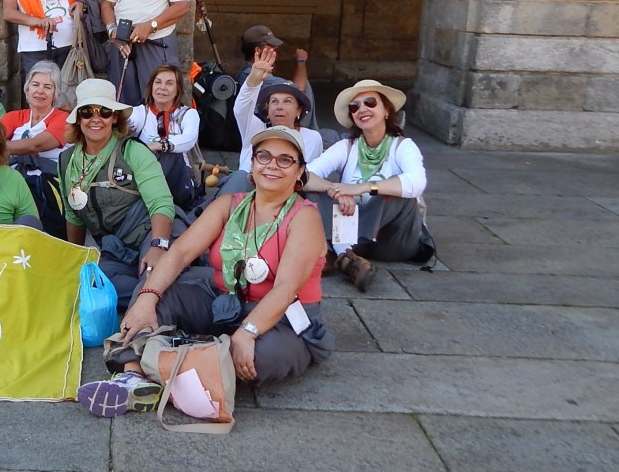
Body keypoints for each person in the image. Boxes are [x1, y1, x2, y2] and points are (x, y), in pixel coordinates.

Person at [76, 126, 335, 417]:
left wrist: (248, 332)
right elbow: (180, 253)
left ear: (300, 172)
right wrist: (147, 298)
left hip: (281, 318)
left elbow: (286, 288)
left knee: (259, 358)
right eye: (264, 156)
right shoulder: (230, 204)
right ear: (252, 163)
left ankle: (165, 362)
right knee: (154, 292)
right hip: (224, 300)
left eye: (285, 159)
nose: (272, 165)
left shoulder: (305, 217)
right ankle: (134, 376)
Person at [302, 80, 436, 291]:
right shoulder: (346, 147)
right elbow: (304, 176)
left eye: (370, 102)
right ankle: (348, 258)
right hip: (354, 238)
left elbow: (417, 183)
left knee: (393, 193)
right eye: (354, 106)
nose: (362, 109)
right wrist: (334, 189)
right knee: (315, 192)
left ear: (386, 110)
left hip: (391, 241)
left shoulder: (402, 146)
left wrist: (363, 187)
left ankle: (334, 251)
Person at [58, 78, 176, 306]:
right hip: (115, 249)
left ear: (114, 118)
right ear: (78, 119)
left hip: (149, 234)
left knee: (151, 278)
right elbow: (74, 217)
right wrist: (75, 260)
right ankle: (163, 290)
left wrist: (158, 246)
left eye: (104, 112)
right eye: (87, 112)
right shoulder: (66, 161)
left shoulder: (133, 150)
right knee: (88, 286)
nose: (96, 119)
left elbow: (161, 202)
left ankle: (154, 291)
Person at [222, 44, 324, 194]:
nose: (279, 107)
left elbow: (307, 176)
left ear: (299, 110)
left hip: (288, 196)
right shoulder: (256, 129)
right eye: (274, 102)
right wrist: (253, 79)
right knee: (240, 177)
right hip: (246, 195)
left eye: (287, 101)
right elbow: (241, 108)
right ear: (267, 111)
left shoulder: (312, 138)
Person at [1, 60, 71, 238]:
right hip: (13, 179)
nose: (40, 91)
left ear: (55, 93)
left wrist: (0, 147)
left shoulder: (63, 118)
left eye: (47, 87)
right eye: (35, 85)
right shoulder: (14, 117)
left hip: (48, 184)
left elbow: (37, 144)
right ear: (27, 89)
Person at [127, 63, 201, 209]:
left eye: (169, 83)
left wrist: (159, 146)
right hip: (145, 178)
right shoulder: (140, 113)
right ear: (151, 86)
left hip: (179, 185)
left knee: (170, 155)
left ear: (178, 89)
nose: (162, 87)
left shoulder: (188, 114)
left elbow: (189, 138)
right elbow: (124, 123)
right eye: (158, 82)